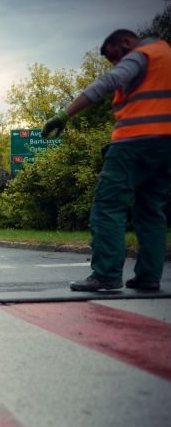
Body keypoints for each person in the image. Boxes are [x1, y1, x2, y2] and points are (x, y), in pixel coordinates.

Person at [42, 29, 171, 292]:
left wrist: (64, 115)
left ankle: (106, 274)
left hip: (133, 142)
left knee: (108, 206)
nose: (117, 63)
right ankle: (149, 276)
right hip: (166, 146)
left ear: (126, 42)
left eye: (116, 56)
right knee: (151, 210)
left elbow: (108, 82)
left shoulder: (141, 55)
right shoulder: (166, 55)